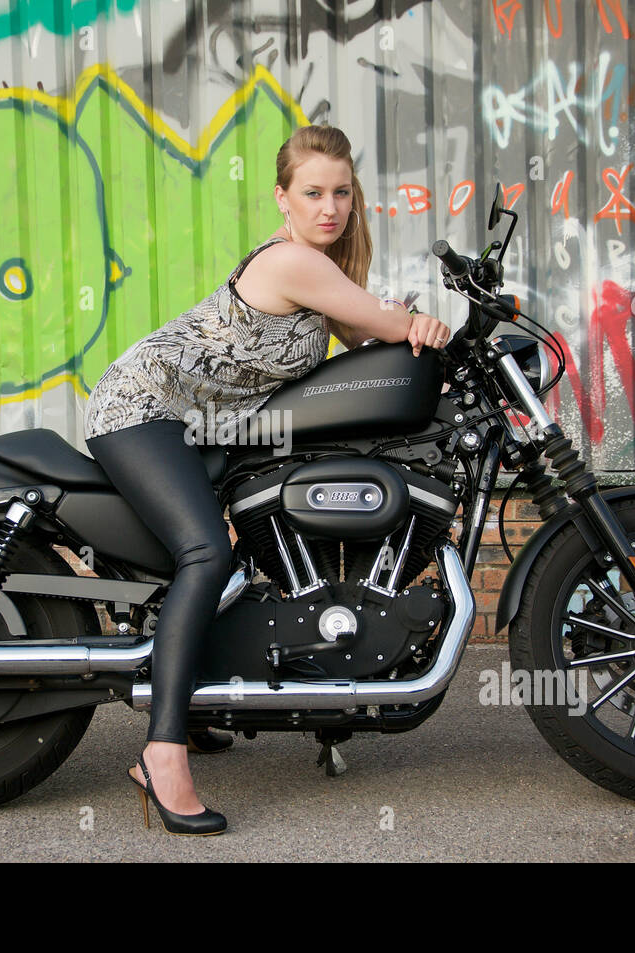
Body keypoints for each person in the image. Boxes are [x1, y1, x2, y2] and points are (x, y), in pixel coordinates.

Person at [82, 124, 451, 835]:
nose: (329, 207)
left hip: (205, 428)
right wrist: (427, 325)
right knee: (207, 551)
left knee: (253, 538)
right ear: (283, 198)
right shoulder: (294, 261)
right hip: (142, 409)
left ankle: (203, 701)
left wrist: (414, 342)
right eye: (313, 192)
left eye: (342, 192)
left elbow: (367, 344)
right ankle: (163, 750)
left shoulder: (323, 275)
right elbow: (384, 322)